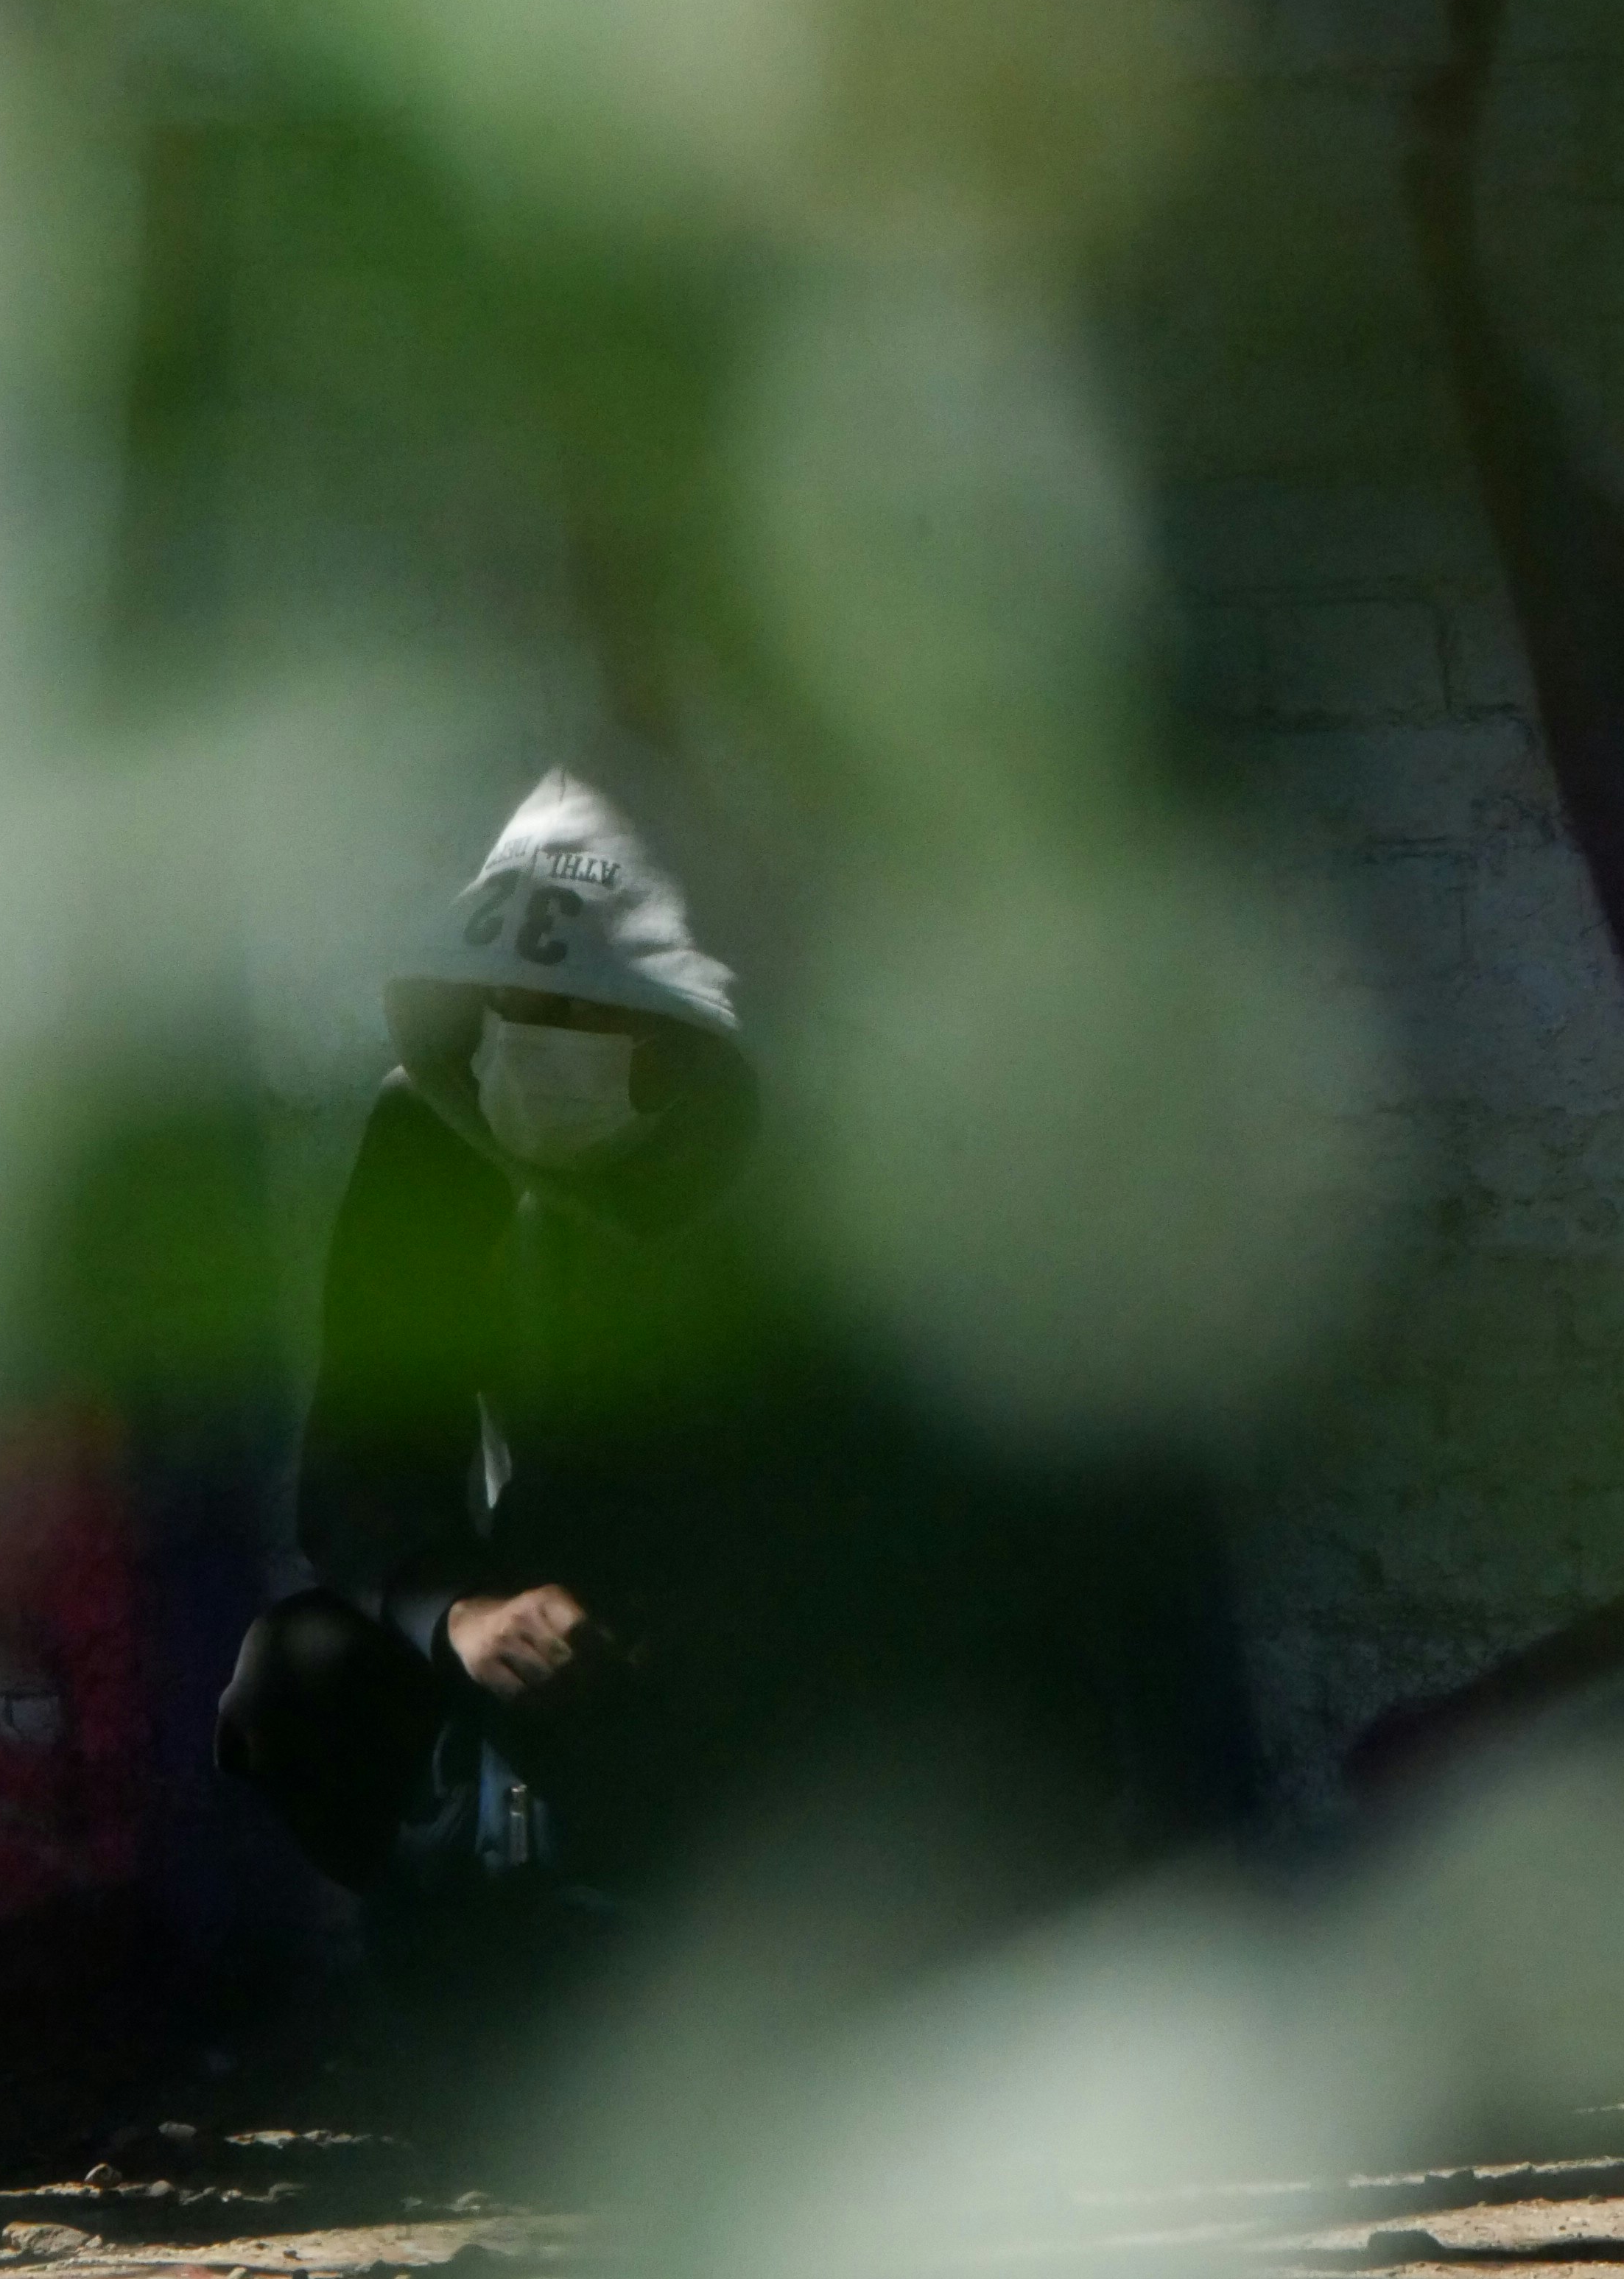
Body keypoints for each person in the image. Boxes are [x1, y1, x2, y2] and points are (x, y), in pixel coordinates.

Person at [217, 769, 1254, 1940]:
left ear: (678, 1026)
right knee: (300, 1671)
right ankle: (490, 1946)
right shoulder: (428, 1138)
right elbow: (366, 1452)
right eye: (507, 1002)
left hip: (815, 1638)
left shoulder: (846, 1145)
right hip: (554, 1637)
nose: (530, 1042)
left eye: (579, 1011)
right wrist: (460, 1610)